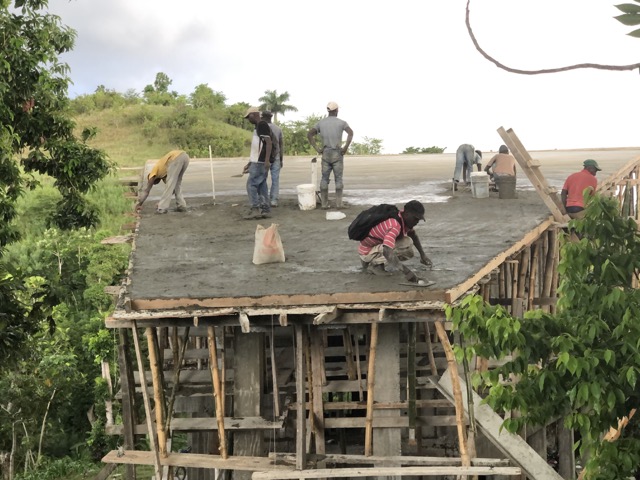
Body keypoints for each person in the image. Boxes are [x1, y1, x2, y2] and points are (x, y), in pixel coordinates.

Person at [358, 200, 432, 283]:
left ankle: (376, 262)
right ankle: (375, 266)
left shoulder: (402, 218)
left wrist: (423, 255)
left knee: (407, 247)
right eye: (416, 219)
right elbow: (386, 251)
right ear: (407, 214)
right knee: (405, 244)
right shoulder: (395, 225)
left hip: (374, 248)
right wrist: (406, 271)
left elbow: (413, 235)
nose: (417, 222)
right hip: (367, 252)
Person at [307, 101, 354, 209]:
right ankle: (339, 204)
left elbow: (309, 134)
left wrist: (317, 148)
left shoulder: (321, 123)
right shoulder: (342, 123)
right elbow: (351, 133)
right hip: (337, 152)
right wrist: (345, 148)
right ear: (337, 110)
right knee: (338, 179)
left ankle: (324, 204)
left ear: (328, 110)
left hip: (326, 153)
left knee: (324, 179)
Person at [243, 107, 272, 219]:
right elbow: (257, 148)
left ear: (253, 115)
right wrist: (250, 163)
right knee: (261, 185)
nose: (248, 120)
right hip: (257, 161)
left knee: (251, 184)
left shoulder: (262, 125)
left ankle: (255, 208)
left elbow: (268, 143)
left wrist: (266, 160)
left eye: (248, 117)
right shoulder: (258, 127)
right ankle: (265, 209)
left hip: (260, 162)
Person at [261, 111, 284, 207]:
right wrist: (281, 158)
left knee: (263, 178)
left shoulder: (261, 128)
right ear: (271, 117)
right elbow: (281, 144)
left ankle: (264, 199)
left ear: (263, 118)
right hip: (276, 156)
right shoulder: (278, 129)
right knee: (275, 179)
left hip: (264, 157)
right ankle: (274, 200)